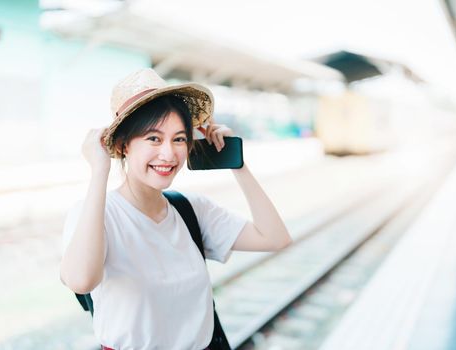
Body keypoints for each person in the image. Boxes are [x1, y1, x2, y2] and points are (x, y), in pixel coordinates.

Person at [60, 68, 292, 350]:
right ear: (123, 145)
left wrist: (237, 162)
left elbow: (276, 238)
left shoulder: (190, 209)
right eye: (154, 139)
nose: (169, 154)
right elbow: (81, 280)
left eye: (179, 139)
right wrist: (100, 172)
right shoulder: (96, 214)